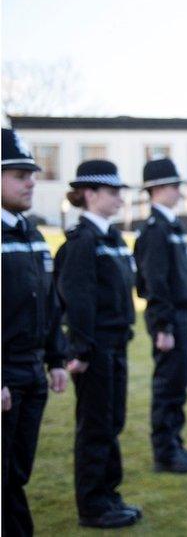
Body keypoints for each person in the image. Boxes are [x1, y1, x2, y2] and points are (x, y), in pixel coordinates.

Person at [55, 160, 141, 528]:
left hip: (116, 344)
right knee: (95, 425)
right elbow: (78, 300)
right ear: (90, 194)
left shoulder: (112, 238)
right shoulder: (82, 242)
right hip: (96, 349)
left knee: (112, 422)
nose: (120, 197)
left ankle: (108, 494)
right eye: (112, 191)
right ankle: (93, 505)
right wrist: (80, 350)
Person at [1, 127, 69, 536]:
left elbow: (49, 303)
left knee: (17, 471)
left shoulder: (33, 234)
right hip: (5, 375)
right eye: (17, 173)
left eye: (31, 173)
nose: (30, 182)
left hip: (31, 373)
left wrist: (56, 357)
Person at [134, 158, 187, 473]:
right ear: (158, 189)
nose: (179, 191)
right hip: (170, 318)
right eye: (175, 186)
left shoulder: (173, 225)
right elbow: (155, 283)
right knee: (168, 385)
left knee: (177, 385)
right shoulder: (155, 231)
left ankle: (174, 444)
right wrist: (162, 325)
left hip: (182, 314)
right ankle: (165, 452)